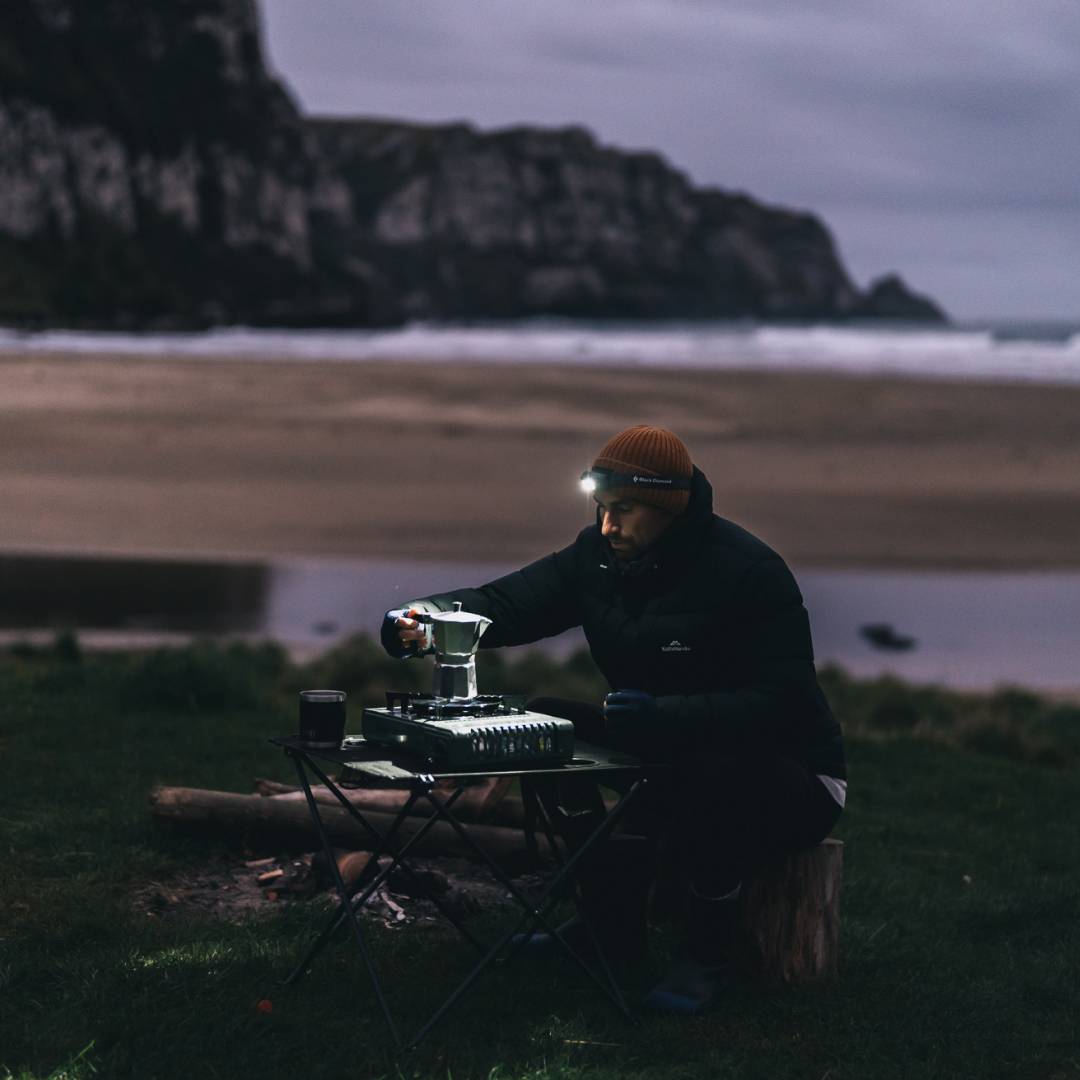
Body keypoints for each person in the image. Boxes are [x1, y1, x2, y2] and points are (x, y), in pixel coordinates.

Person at [381, 424, 845, 1013]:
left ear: (668, 507)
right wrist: (423, 618)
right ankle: (609, 924)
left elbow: (783, 702)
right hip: (660, 747)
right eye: (601, 509)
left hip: (793, 777)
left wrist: (667, 714)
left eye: (623, 510)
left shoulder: (748, 571)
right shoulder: (595, 559)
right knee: (544, 724)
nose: (607, 526)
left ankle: (706, 954)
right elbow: (505, 605)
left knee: (713, 764)